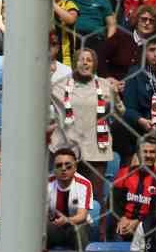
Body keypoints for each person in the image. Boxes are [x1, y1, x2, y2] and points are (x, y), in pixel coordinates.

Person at [50, 47, 116, 196]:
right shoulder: (59, 85)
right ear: (74, 63)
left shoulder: (105, 85)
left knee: (95, 196)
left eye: (89, 60)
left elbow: (120, 112)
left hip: (96, 150)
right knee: (64, 195)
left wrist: (114, 100)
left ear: (95, 64)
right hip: (68, 149)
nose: (85, 63)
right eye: (81, 59)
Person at [108, 135, 156, 243]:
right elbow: (113, 201)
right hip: (123, 223)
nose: (148, 155)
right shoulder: (124, 173)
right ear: (137, 154)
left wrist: (138, 222)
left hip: (148, 226)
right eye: (144, 152)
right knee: (117, 233)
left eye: (152, 152)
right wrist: (121, 218)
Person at [46, 147, 94, 252]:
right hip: (53, 226)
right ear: (53, 168)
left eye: (68, 165)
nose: (63, 169)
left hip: (76, 226)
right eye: (59, 165)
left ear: (75, 167)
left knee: (79, 229)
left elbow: (82, 216)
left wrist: (66, 220)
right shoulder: (46, 183)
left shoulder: (84, 184)